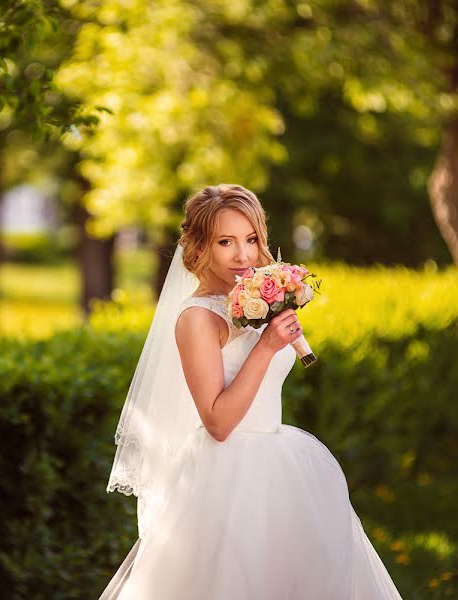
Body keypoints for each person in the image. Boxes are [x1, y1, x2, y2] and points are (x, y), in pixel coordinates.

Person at [99, 184, 403, 599]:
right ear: (200, 246)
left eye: (251, 239)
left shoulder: (253, 300)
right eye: (226, 242)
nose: (243, 255)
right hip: (226, 477)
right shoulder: (197, 319)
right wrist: (266, 346)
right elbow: (218, 422)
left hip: (282, 465)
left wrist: (276, 324)